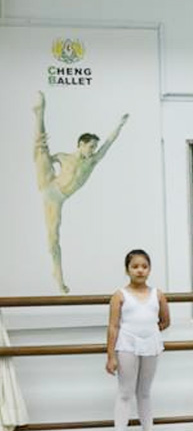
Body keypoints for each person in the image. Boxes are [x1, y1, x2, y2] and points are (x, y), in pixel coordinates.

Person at [33, 91, 128, 294]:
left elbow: (109, 143)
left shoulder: (92, 161)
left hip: (57, 198)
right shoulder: (64, 157)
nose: (93, 150)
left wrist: (120, 125)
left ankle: (58, 277)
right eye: (91, 146)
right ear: (81, 145)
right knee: (41, 149)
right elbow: (47, 159)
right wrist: (44, 157)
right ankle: (40, 112)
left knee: (53, 239)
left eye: (94, 147)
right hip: (49, 183)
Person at [105, 249, 170, 431]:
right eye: (135, 266)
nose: (140, 270)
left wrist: (149, 333)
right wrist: (111, 356)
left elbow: (165, 321)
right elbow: (113, 326)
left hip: (151, 344)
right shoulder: (119, 295)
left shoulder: (158, 294)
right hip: (126, 344)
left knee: (144, 392)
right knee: (125, 392)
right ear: (127, 270)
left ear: (149, 269)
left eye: (144, 266)